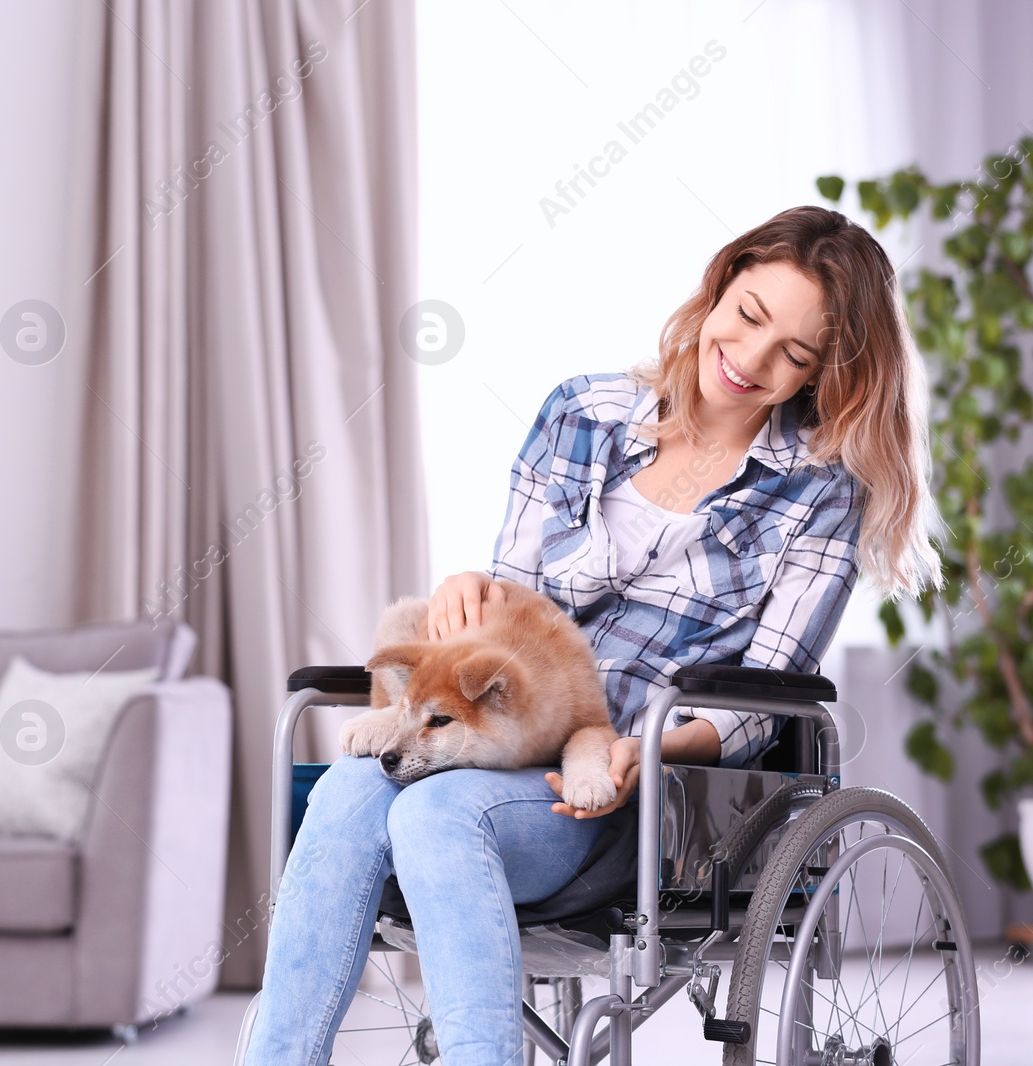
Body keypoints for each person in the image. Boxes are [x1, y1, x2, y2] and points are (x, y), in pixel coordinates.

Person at [243, 205, 944, 1066]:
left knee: (429, 813)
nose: (752, 360)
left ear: (822, 372)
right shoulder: (583, 410)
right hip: (511, 741)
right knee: (349, 789)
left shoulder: (820, 491)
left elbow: (768, 695)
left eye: (795, 354)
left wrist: (643, 748)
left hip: (645, 797)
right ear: (721, 286)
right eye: (750, 316)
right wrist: (470, 591)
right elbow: (515, 616)